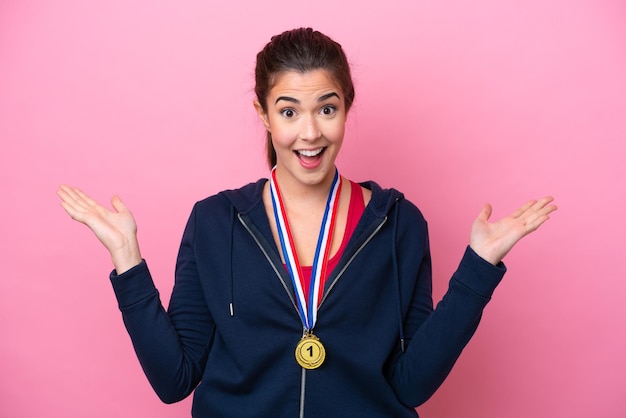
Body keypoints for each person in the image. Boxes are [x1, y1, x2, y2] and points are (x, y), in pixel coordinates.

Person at [57, 28, 557, 418]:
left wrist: (477, 272)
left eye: (327, 108)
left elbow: (410, 384)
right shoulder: (215, 221)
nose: (310, 132)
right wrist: (128, 263)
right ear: (264, 114)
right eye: (289, 111)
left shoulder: (398, 223)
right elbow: (175, 379)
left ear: (346, 108)